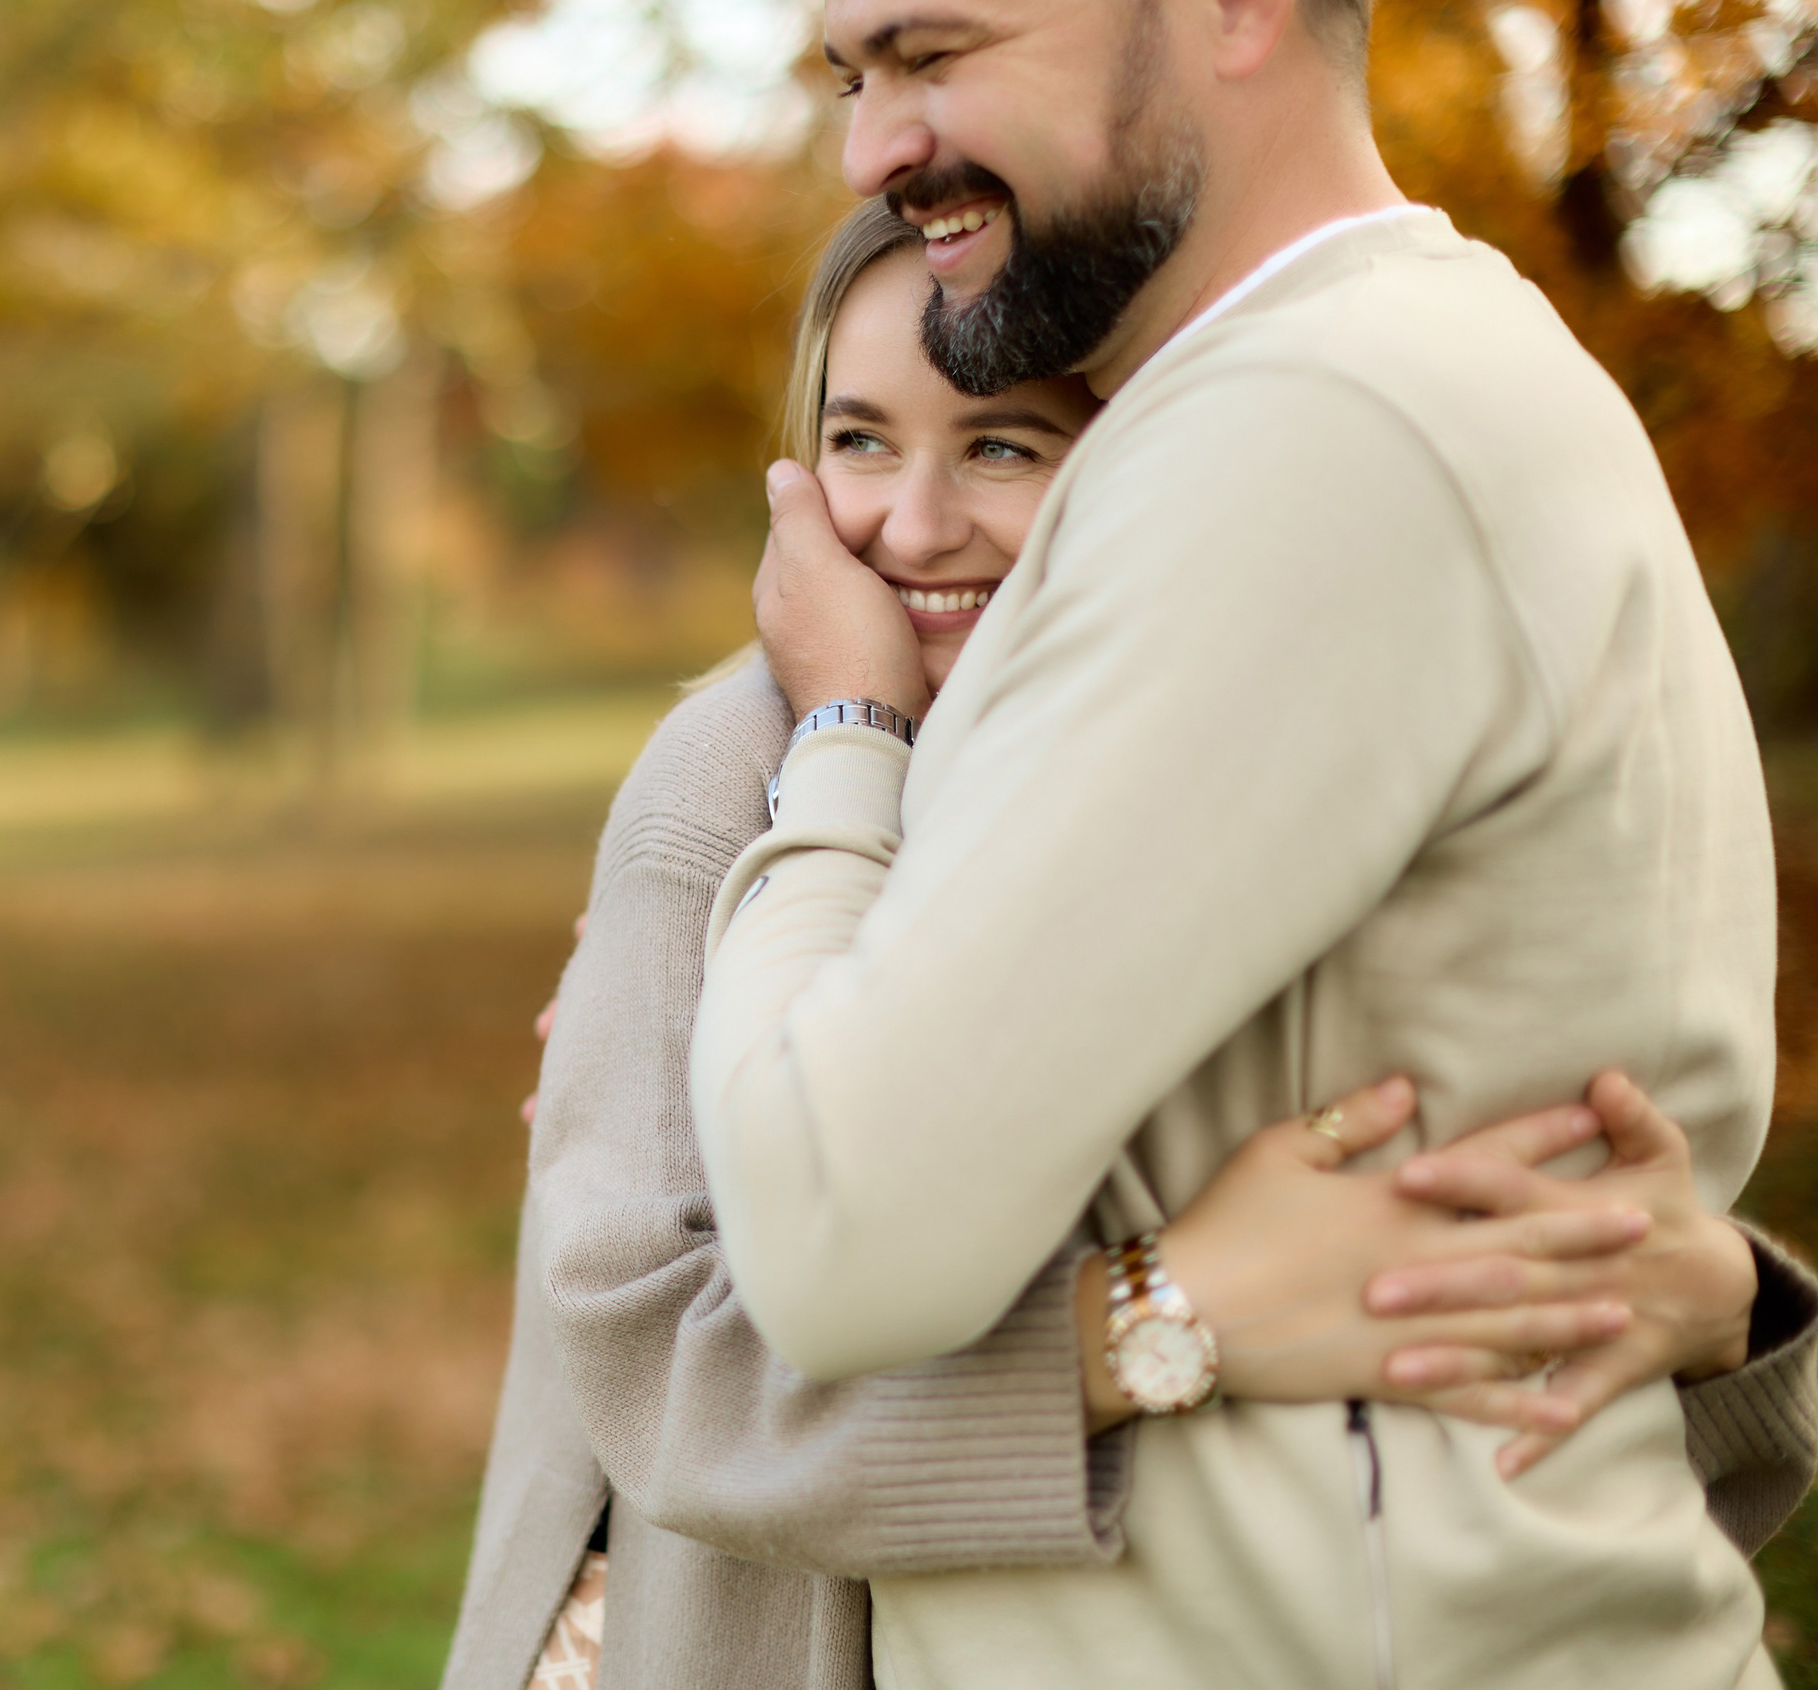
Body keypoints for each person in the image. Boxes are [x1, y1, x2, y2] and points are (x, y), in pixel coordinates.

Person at [441, 199, 1818, 1690]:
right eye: (859, 441)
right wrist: (1154, 1326)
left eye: (1002, 445)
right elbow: (654, 1362)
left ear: (1130, 465)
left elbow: (1368, 1276)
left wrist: (1715, 1314)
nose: (913, 526)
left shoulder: (1195, 749)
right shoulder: (728, 777)